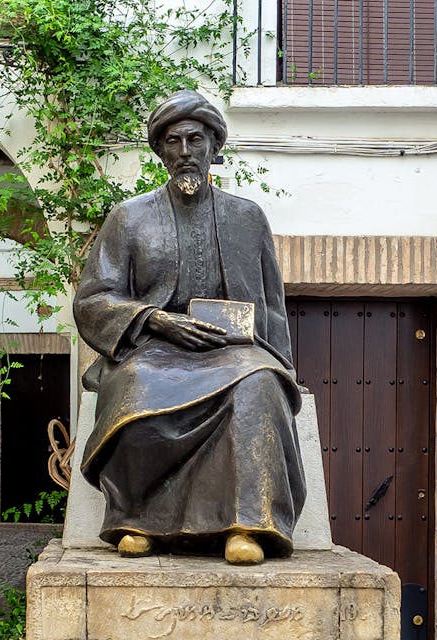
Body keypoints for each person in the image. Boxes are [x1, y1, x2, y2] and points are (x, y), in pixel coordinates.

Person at [73, 90, 305, 565]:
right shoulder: (128, 217)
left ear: (213, 147)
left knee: (259, 382)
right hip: (152, 346)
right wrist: (155, 319)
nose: (184, 152)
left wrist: (283, 367)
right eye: (173, 141)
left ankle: (247, 525)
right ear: (161, 152)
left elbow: (273, 305)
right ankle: (135, 520)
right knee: (136, 384)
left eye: (195, 140)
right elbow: (94, 298)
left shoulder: (247, 217)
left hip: (231, 347)